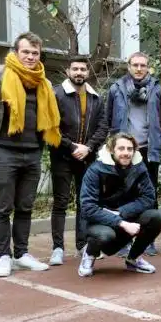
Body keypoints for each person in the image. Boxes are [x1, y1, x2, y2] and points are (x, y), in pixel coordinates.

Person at [0, 32, 62, 277]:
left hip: (32, 154)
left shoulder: (43, 82)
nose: (30, 57)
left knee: (25, 207)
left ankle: (21, 254)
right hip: (4, 153)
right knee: (2, 208)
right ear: (16, 52)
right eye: (26, 52)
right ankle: (3, 257)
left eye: (35, 53)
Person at [77, 132, 161, 277]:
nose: (126, 153)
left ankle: (133, 258)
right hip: (99, 222)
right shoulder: (95, 170)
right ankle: (90, 254)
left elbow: (149, 198)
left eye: (130, 149)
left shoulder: (139, 167)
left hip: (126, 216)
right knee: (105, 236)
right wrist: (121, 222)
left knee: (157, 217)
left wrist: (121, 212)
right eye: (121, 148)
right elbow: (88, 208)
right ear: (112, 150)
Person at [49, 55, 108, 265]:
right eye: (75, 69)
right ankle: (57, 248)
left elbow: (103, 127)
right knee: (60, 203)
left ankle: (82, 244)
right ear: (68, 71)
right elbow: (51, 127)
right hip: (62, 157)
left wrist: (89, 147)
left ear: (88, 72)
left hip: (87, 158)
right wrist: (72, 147)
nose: (79, 73)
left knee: (85, 203)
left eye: (83, 69)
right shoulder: (55, 94)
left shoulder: (96, 97)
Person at [106, 51, 161, 256]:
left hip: (149, 149)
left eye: (143, 65)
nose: (139, 69)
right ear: (128, 66)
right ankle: (124, 239)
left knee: (149, 194)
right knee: (123, 195)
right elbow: (109, 118)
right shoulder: (116, 89)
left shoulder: (157, 89)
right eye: (135, 65)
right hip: (124, 151)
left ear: (148, 67)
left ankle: (148, 239)